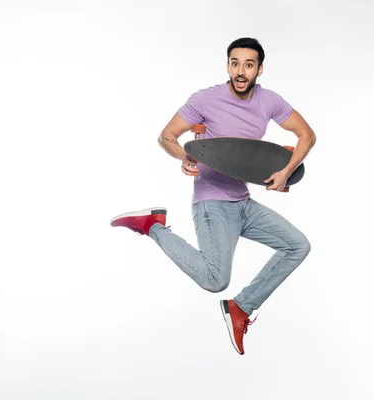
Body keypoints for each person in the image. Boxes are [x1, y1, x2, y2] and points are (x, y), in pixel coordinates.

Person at [110, 37, 317, 355]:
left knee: (297, 245)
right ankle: (153, 225)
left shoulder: (269, 101)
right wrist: (183, 156)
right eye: (235, 63)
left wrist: (286, 171)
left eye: (248, 64)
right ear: (227, 65)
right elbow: (167, 136)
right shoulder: (205, 99)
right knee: (214, 279)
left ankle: (242, 307)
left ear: (259, 69)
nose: (240, 71)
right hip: (212, 202)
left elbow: (306, 135)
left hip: (243, 201)